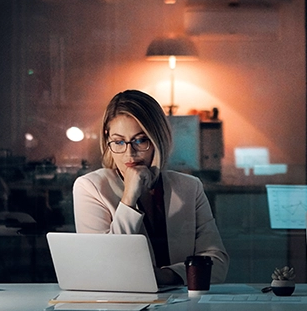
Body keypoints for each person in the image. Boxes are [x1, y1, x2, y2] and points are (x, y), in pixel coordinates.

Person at [73, 89, 229, 285]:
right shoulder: (90, 187)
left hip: (183, 303)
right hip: (119, 303)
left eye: (140, 140)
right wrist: (129, 197)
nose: (129, 153)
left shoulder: (189, 187)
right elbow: (104, 266)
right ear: (108, 140)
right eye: (119, 141)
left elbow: (217, 263)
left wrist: (167, 275)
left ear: (157, 140)